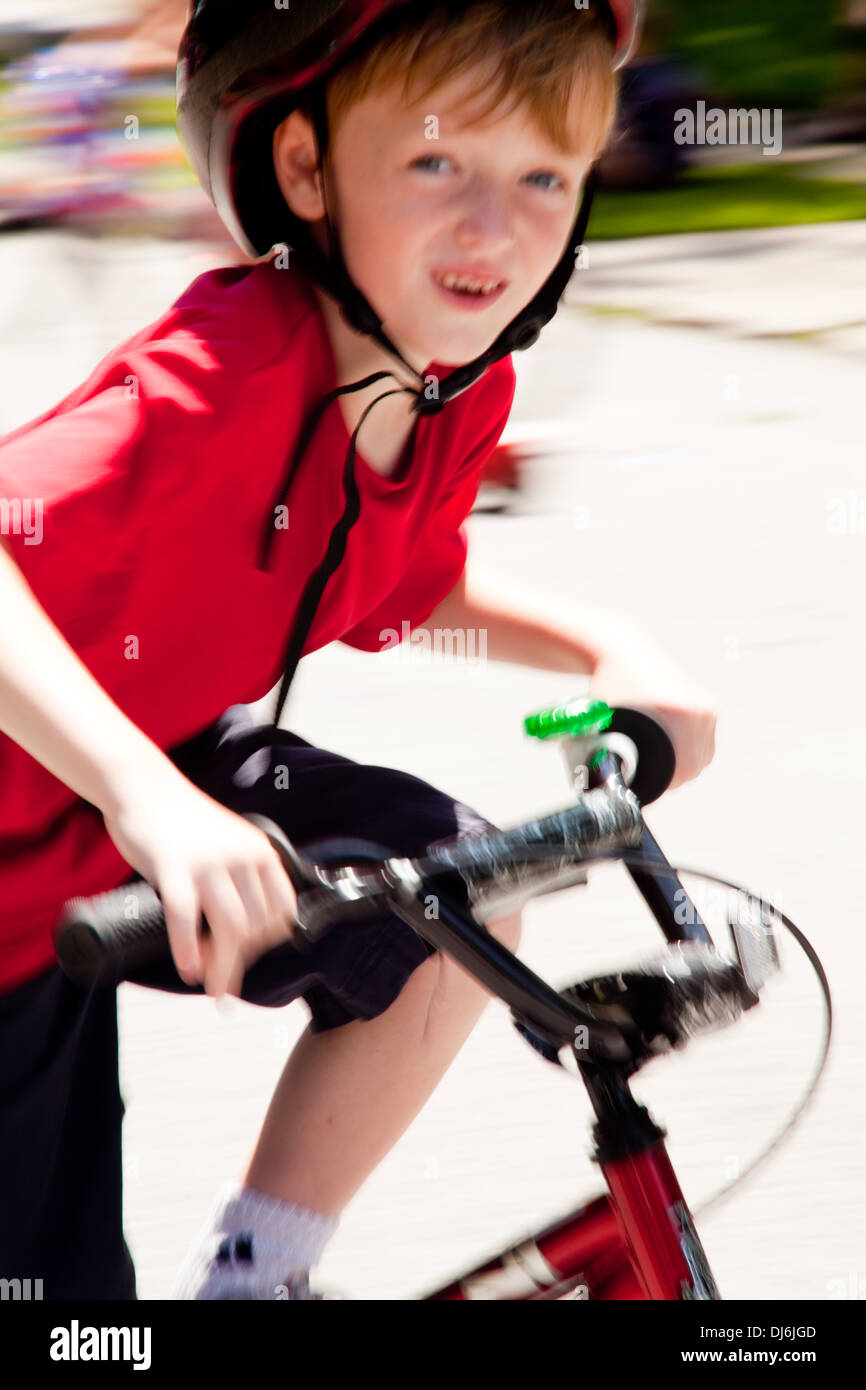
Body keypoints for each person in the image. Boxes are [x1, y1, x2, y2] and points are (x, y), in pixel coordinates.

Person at [0, 0, 715, 1301]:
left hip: (123, 805)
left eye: (542, 175)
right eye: (438, 162)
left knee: (460, 891)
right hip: (64, 833)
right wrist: (146, 797)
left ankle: (256, 1275)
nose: (495, 228)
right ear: (306, 170)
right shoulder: (207, 386)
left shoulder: (444, 392)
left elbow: (402, 581)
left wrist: (605, 645)